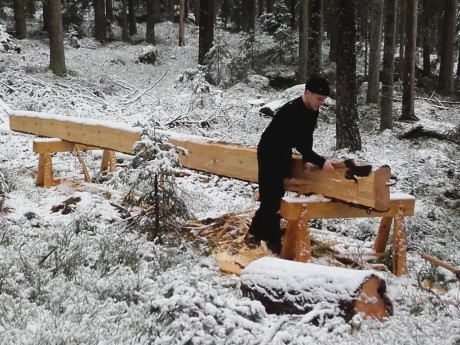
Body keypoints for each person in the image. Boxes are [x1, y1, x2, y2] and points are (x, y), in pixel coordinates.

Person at [249, 76, 335, 254]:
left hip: (283, 152)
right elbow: (300, 144)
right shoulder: (292, 110)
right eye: (319, 99)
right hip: (268, 151)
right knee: (271, 196)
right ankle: (272, 242)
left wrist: (307, 160)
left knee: (274, 194)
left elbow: (306, 138)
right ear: (308, 93)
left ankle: (255, 233)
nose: (321, 103)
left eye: (323, 100)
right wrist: (321, 162)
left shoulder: (312, 110)